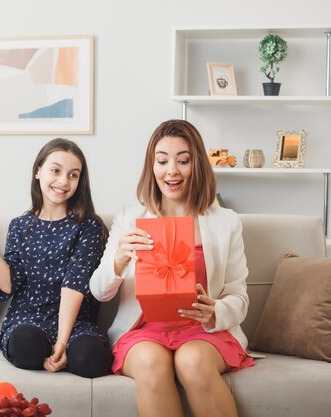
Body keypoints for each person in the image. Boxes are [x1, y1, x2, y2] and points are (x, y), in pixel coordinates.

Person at [89, 119, 253, 417]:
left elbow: (239, 297)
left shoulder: (226, 221)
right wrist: (119, 259)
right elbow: (99, 292)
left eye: (183, 161)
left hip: (204, 331)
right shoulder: (129, 218)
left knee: (191, 361)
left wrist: (216, 310)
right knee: (152, 363)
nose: (172, 171)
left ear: (198, 165)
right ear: (152, 167)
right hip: (143, 332)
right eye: (162, 161)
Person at [0, 138, 113, 378]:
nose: (63, 181)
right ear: (38, 171)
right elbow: (8, 284)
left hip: (75, 325)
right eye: (56, 171)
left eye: (73, 175)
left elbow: (75, 283)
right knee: (27, 346)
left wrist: (62, 343)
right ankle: (50, 354)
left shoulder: (88, 226)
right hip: (28, 320)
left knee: (91, 359)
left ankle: (61, 353)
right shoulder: (20, 226)